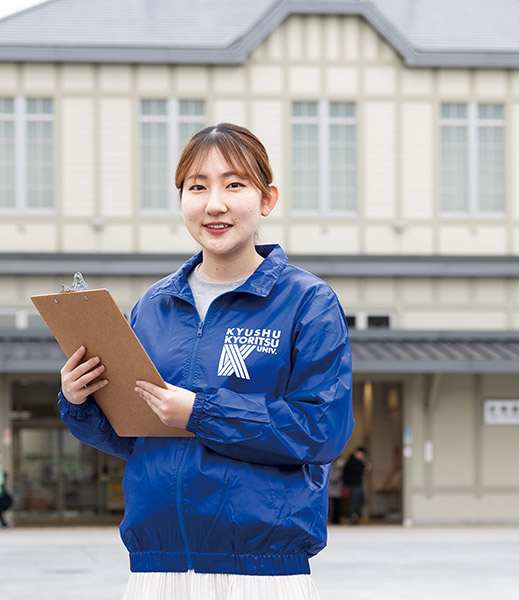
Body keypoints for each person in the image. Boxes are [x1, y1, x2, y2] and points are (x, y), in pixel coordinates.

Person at [59, 123, 354, 599]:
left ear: (267, 199)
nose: (214, 203)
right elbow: (136, 439)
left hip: (262, 571)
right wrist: (81, 401)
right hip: (157, 568)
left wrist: (201, 413)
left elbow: (321, 430)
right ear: (181, 200)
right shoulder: (154, 306)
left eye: (234, 184)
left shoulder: (307, 302)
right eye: (197, 187)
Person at [342, 446, 370, 525]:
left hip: (358, 484)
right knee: (355, 501)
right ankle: (352, 518)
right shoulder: (351, 461)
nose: (362, 456)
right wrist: (364, 468)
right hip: (353, 485)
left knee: (361, 500)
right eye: (361, 454)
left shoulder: (359, 462)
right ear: (356, 453)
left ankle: (355, 516)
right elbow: (355, 470)